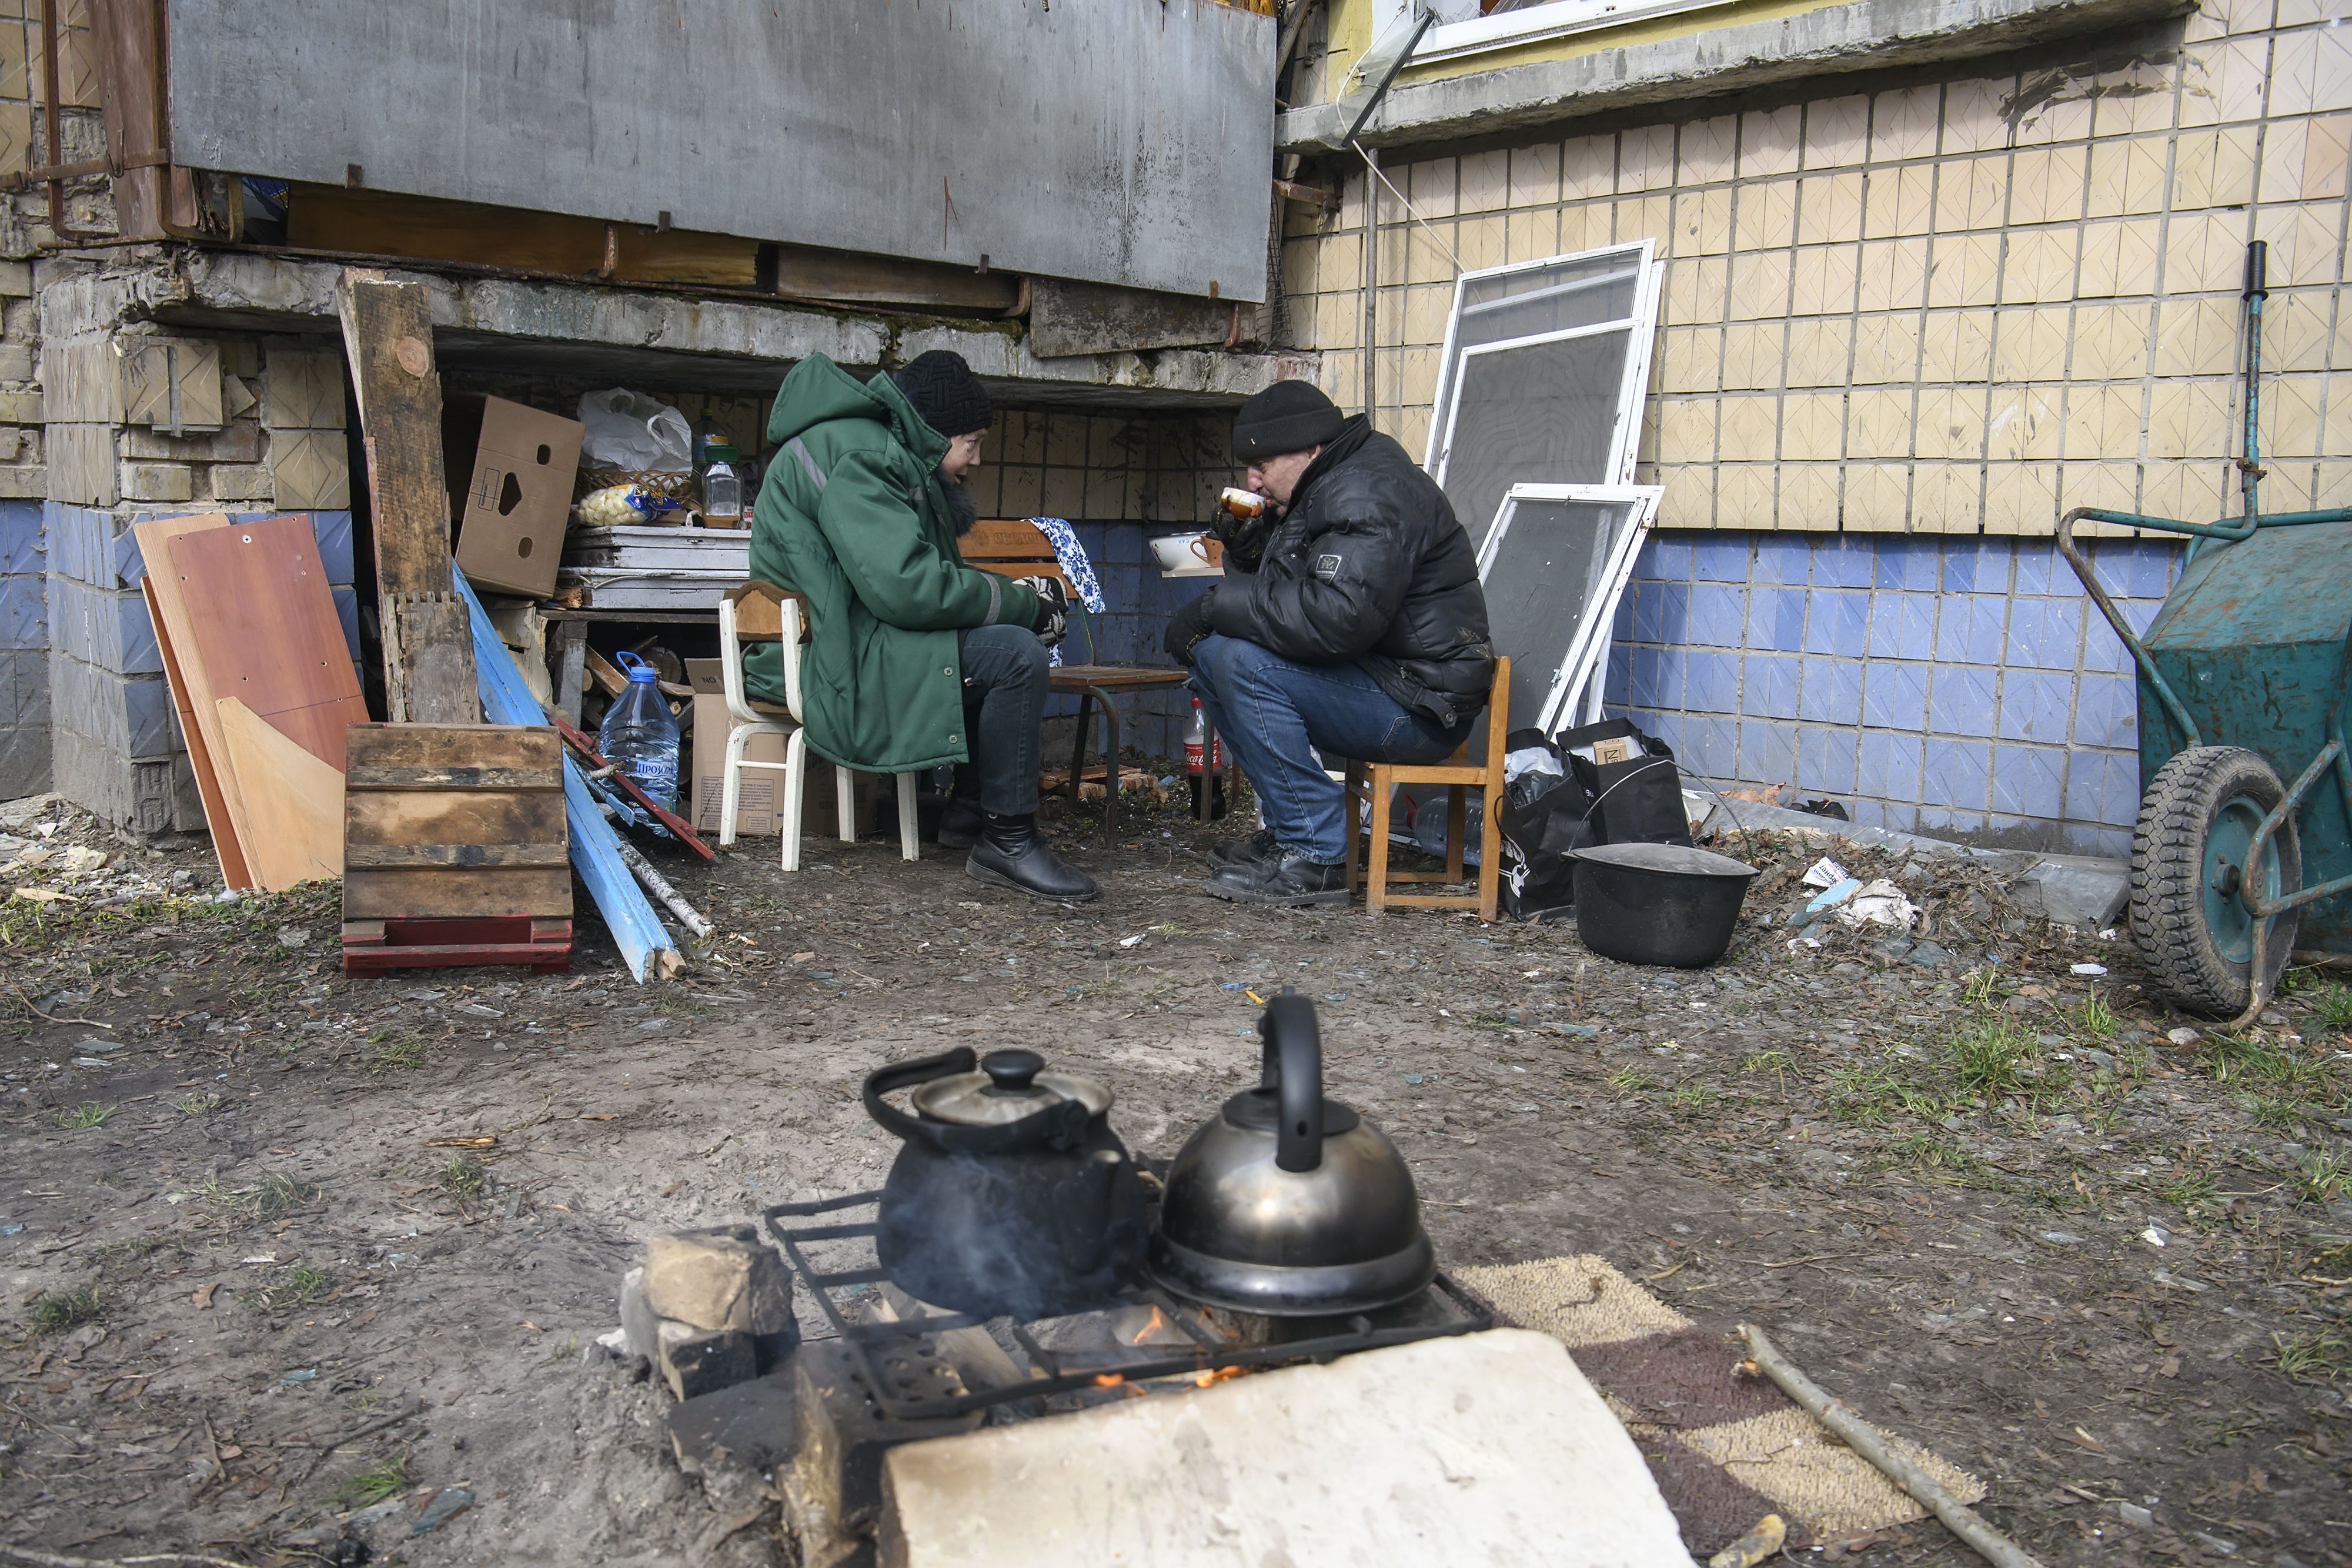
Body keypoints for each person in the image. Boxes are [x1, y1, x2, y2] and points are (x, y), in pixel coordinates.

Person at [746, 349, 1098, 902]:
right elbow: (909, 589)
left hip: (844, 636)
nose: (977, 460)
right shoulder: (862, 456)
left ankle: (966, 813)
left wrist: (1014, 602)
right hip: (832, 655)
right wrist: (1025, 604)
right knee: (1013, 654)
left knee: (997, 647)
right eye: (973, 443)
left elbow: (919, 583)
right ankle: (1008, 841)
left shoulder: (874, 450)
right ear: (935, 433)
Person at [1163, 381, 1492, 906]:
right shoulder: (1321, 484)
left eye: (1262, 465)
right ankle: (1289, 831)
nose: (1253, 480)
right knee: (1211, 656)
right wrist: (1248, 552)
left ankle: (1318, 853)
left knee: (1242, 661)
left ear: (1310, 449)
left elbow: (1336, 619)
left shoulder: (1368, 490)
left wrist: (1212, 606)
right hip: (1378, 679)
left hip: (1421, 707)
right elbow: (1291, 601)